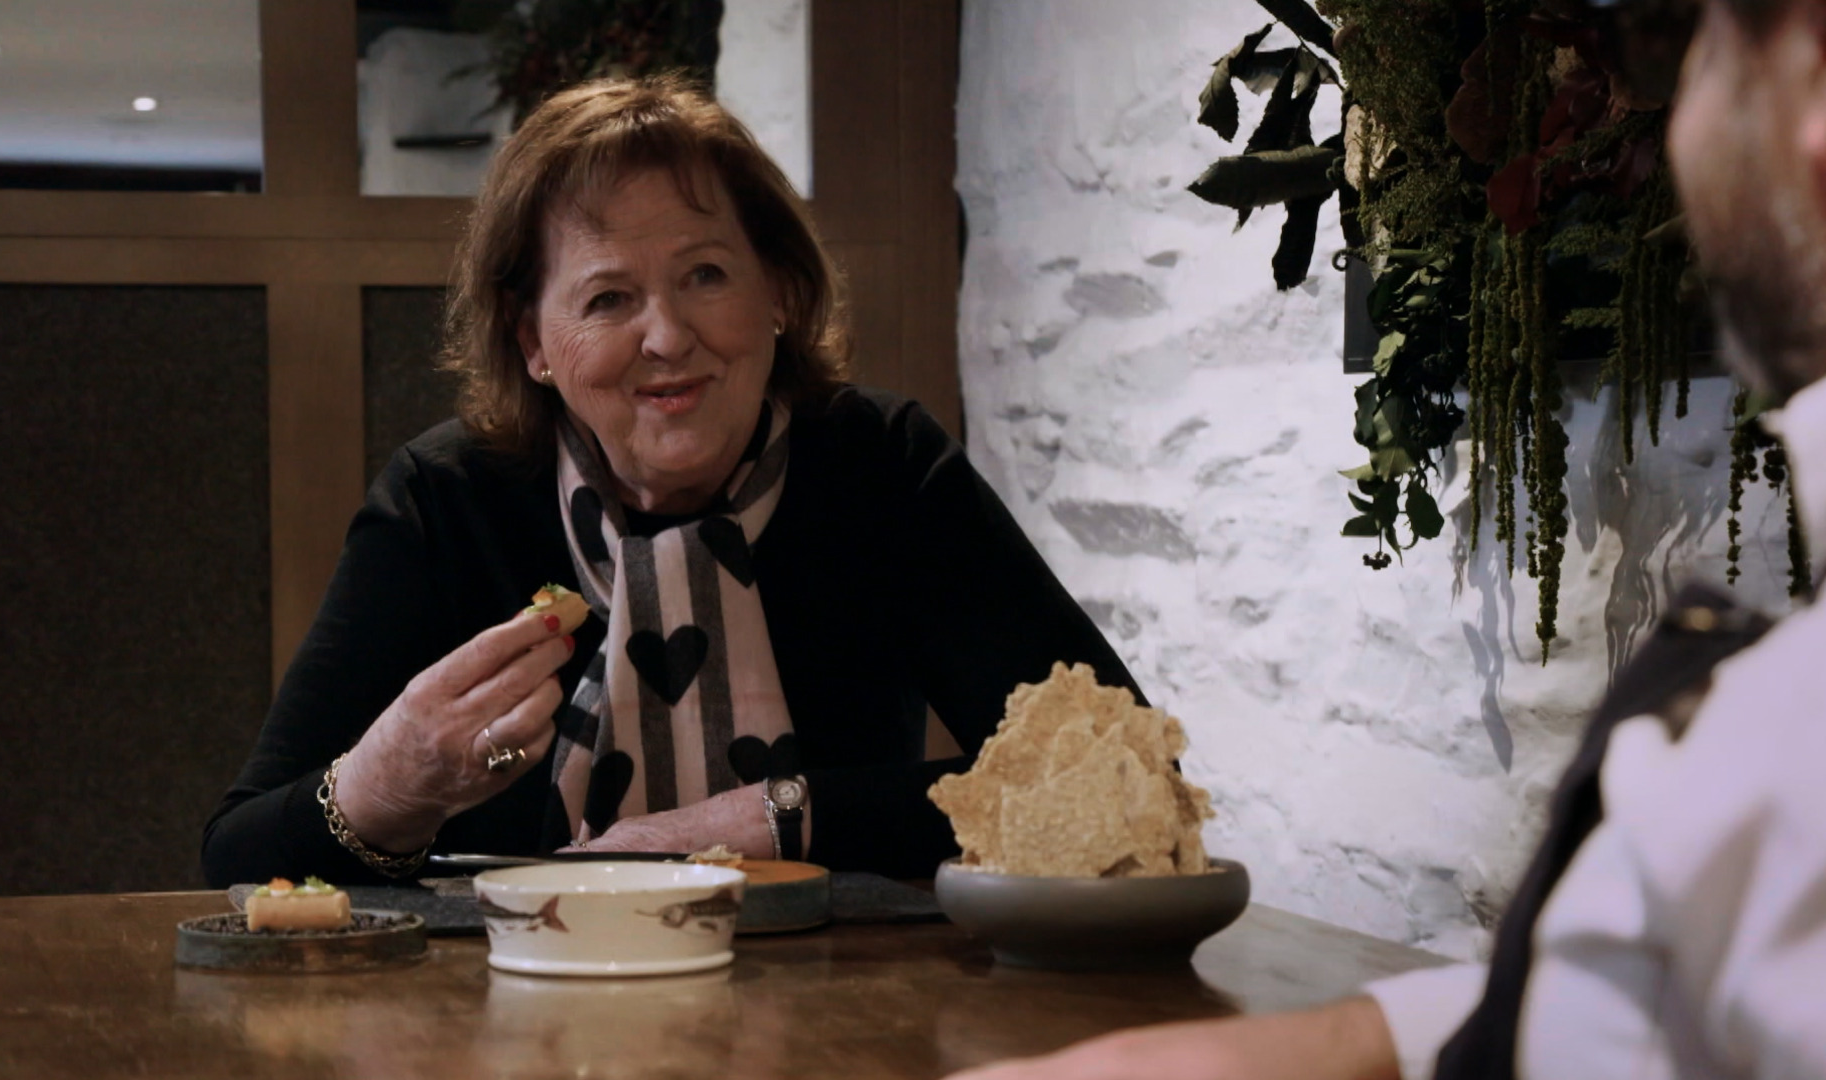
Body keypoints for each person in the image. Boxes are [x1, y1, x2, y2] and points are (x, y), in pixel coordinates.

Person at [947, 0, 1826, 1076]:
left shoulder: (1783, 745)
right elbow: (1609, 1005)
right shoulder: (1761, 743)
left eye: (1693, 51)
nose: (1677, 118)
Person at [201, 75, 1139, 887]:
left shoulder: (881, 467)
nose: (666, 336)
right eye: (608, 297)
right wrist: (388, 784)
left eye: (705, 275)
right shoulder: (448, 500)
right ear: (533, 343)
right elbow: (237, 855)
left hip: (840, 995)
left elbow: (1117, 779)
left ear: (779, 291)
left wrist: (772, 816)